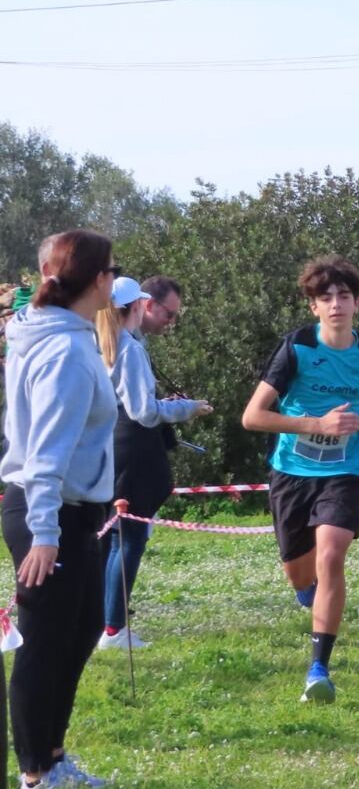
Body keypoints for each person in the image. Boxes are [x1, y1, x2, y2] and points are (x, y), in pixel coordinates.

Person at [243, 257, 359, 704]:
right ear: (313, 307)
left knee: (331, 555)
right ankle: (308, 593)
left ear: (355, 304)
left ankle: (319, 669)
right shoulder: (296, 348)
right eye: (325, 298)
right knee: (300, 573)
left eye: (343, 297)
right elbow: (253, 416)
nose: (335, 305)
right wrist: (315, 424)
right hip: (292, 472)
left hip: (344, 472)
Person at [2, 230, 120, 789]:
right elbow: (45, 454)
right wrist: (44, 534)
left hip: (69, 513)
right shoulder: (68, 352)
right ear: (97, 281)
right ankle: (34, 775)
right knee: (44, 644)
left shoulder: (56, 335)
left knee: (80, 632)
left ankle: (53, 757)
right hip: (48, 515)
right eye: (112, 271)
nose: (115, 280)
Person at [99, 275, 212, 652]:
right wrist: (187, 409)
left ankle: (103, 621)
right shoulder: (129, 349)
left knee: (113, 539)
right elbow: (144, 412)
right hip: (132, 449)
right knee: (128, 540)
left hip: (110, 448)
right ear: (138, 306)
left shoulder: (108, 341)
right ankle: (113, 628)